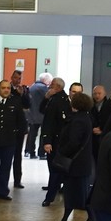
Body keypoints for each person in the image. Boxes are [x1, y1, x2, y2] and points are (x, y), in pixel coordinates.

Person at [57, 92, 96, 221]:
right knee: (80, 192)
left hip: (75, 164)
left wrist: (62, 152)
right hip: (82, 163)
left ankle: (65, 220)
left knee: (72, 193)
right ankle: (90, 216)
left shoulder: (77, 120)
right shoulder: (86, 117)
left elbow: (74, 142)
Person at [0, 79, 24, 200]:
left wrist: (18, 137)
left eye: (8, 88)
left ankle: (3, 191)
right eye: (3, 88)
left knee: (5, 167)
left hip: (9, 140)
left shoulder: (15, 101)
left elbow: (21, 121)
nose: (6, 90)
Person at [39, 78, 70, 207]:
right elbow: (42, 110)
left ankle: (50, 196)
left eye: (52, 85)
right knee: (54, 169)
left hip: (57, 141)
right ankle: (54, 189)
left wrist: (47, 141)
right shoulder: (53, 98)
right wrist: (46, 98)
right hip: (56, 140)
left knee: (55, 169)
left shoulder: (59, 100)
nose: (49, 86)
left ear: (57, 87)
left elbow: (49, 122)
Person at [25, 72, 50, 159]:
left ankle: (29, 151)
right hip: (42, 115)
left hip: (32, 114)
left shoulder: (32, 86)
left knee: (32, 134)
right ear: (45, 80)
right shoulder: (44, 88)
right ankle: (41, 153)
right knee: (43, 134)